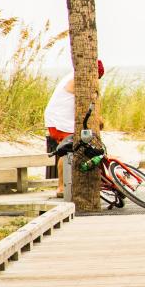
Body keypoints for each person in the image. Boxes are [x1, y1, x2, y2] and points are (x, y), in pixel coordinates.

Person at [43, 59, 105, 199]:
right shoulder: (77, 80)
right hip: (59, 121)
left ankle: (72, 183)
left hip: (64, 120)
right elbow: (88, 101)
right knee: (68, 149)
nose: (96, 81)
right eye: (96, 78)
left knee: (77, 146)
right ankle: (61, 187)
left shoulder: (76, 76)